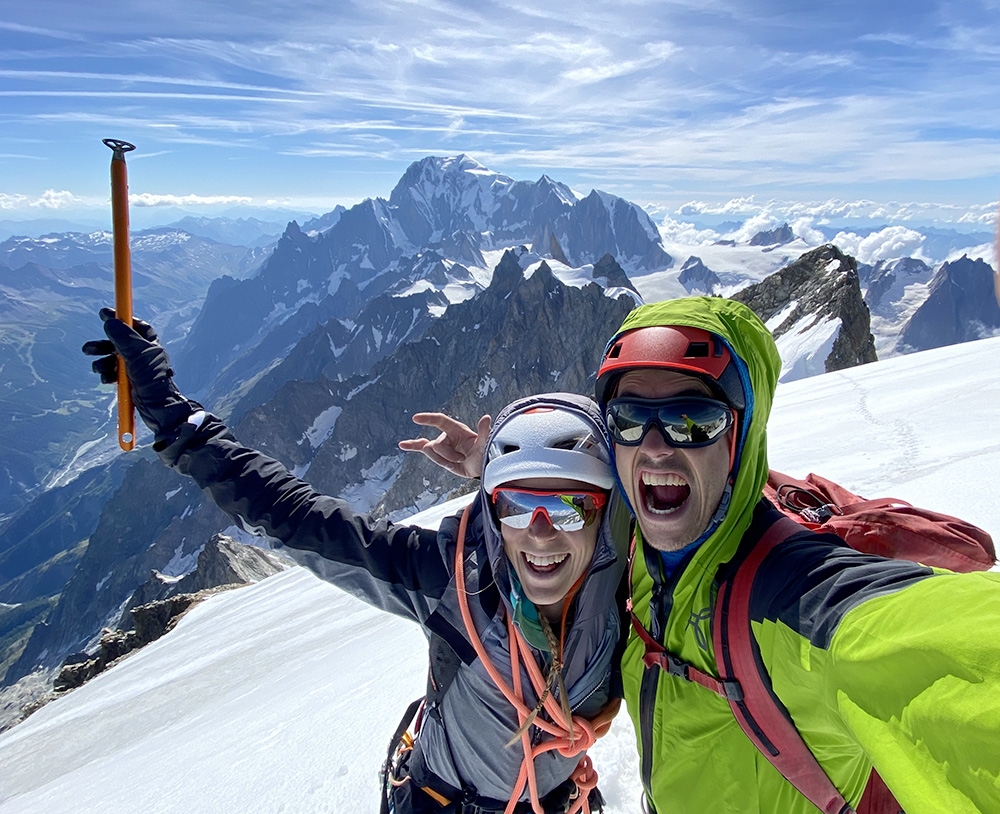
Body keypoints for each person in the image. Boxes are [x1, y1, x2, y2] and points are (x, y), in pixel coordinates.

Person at [83, 309, 626, 814]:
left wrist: (495, 466)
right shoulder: (451, 577)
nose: (539, 533)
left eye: (570, 507)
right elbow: (290, 514)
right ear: (491, 506)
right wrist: (170, 414)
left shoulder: (629, 576)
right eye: (517, 504)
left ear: (606, 513)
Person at [593, 295, 1000, 813]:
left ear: (739, 438)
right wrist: (500, 466)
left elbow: (932, 640)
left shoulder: (796, 598)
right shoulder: (638, 539)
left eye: (691, 419)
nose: (652, 446)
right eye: (628, 419)